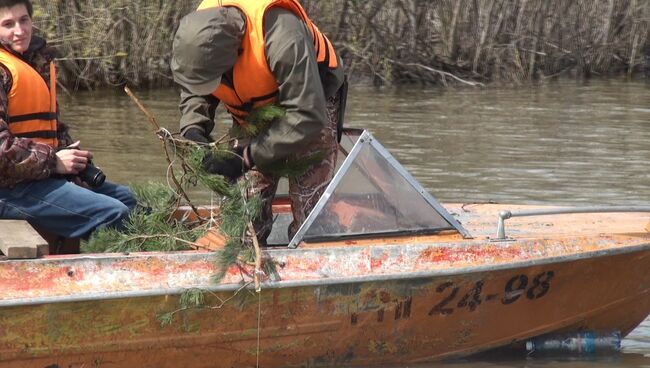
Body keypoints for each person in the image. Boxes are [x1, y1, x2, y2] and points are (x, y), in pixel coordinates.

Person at [171, 0, 346, 243]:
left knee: (310, 213)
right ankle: (247, 250)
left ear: (234, 53)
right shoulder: (199, 32)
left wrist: (248, 156)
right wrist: (193, 127)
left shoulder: (282, 32)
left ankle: (317, 246)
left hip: (311, 100)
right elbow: (193, 82)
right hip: (254, 108)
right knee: (241, 220)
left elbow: (307, 114)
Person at [0, 0, 135, 241]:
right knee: (114, 213)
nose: (20, 30)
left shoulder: (34, 61)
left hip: (33, 177)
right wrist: (53, 162)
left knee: (127, 199)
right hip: (8, 190)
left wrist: (71, 161)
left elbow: (47, 129)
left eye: (24, 20)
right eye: (8, 24)